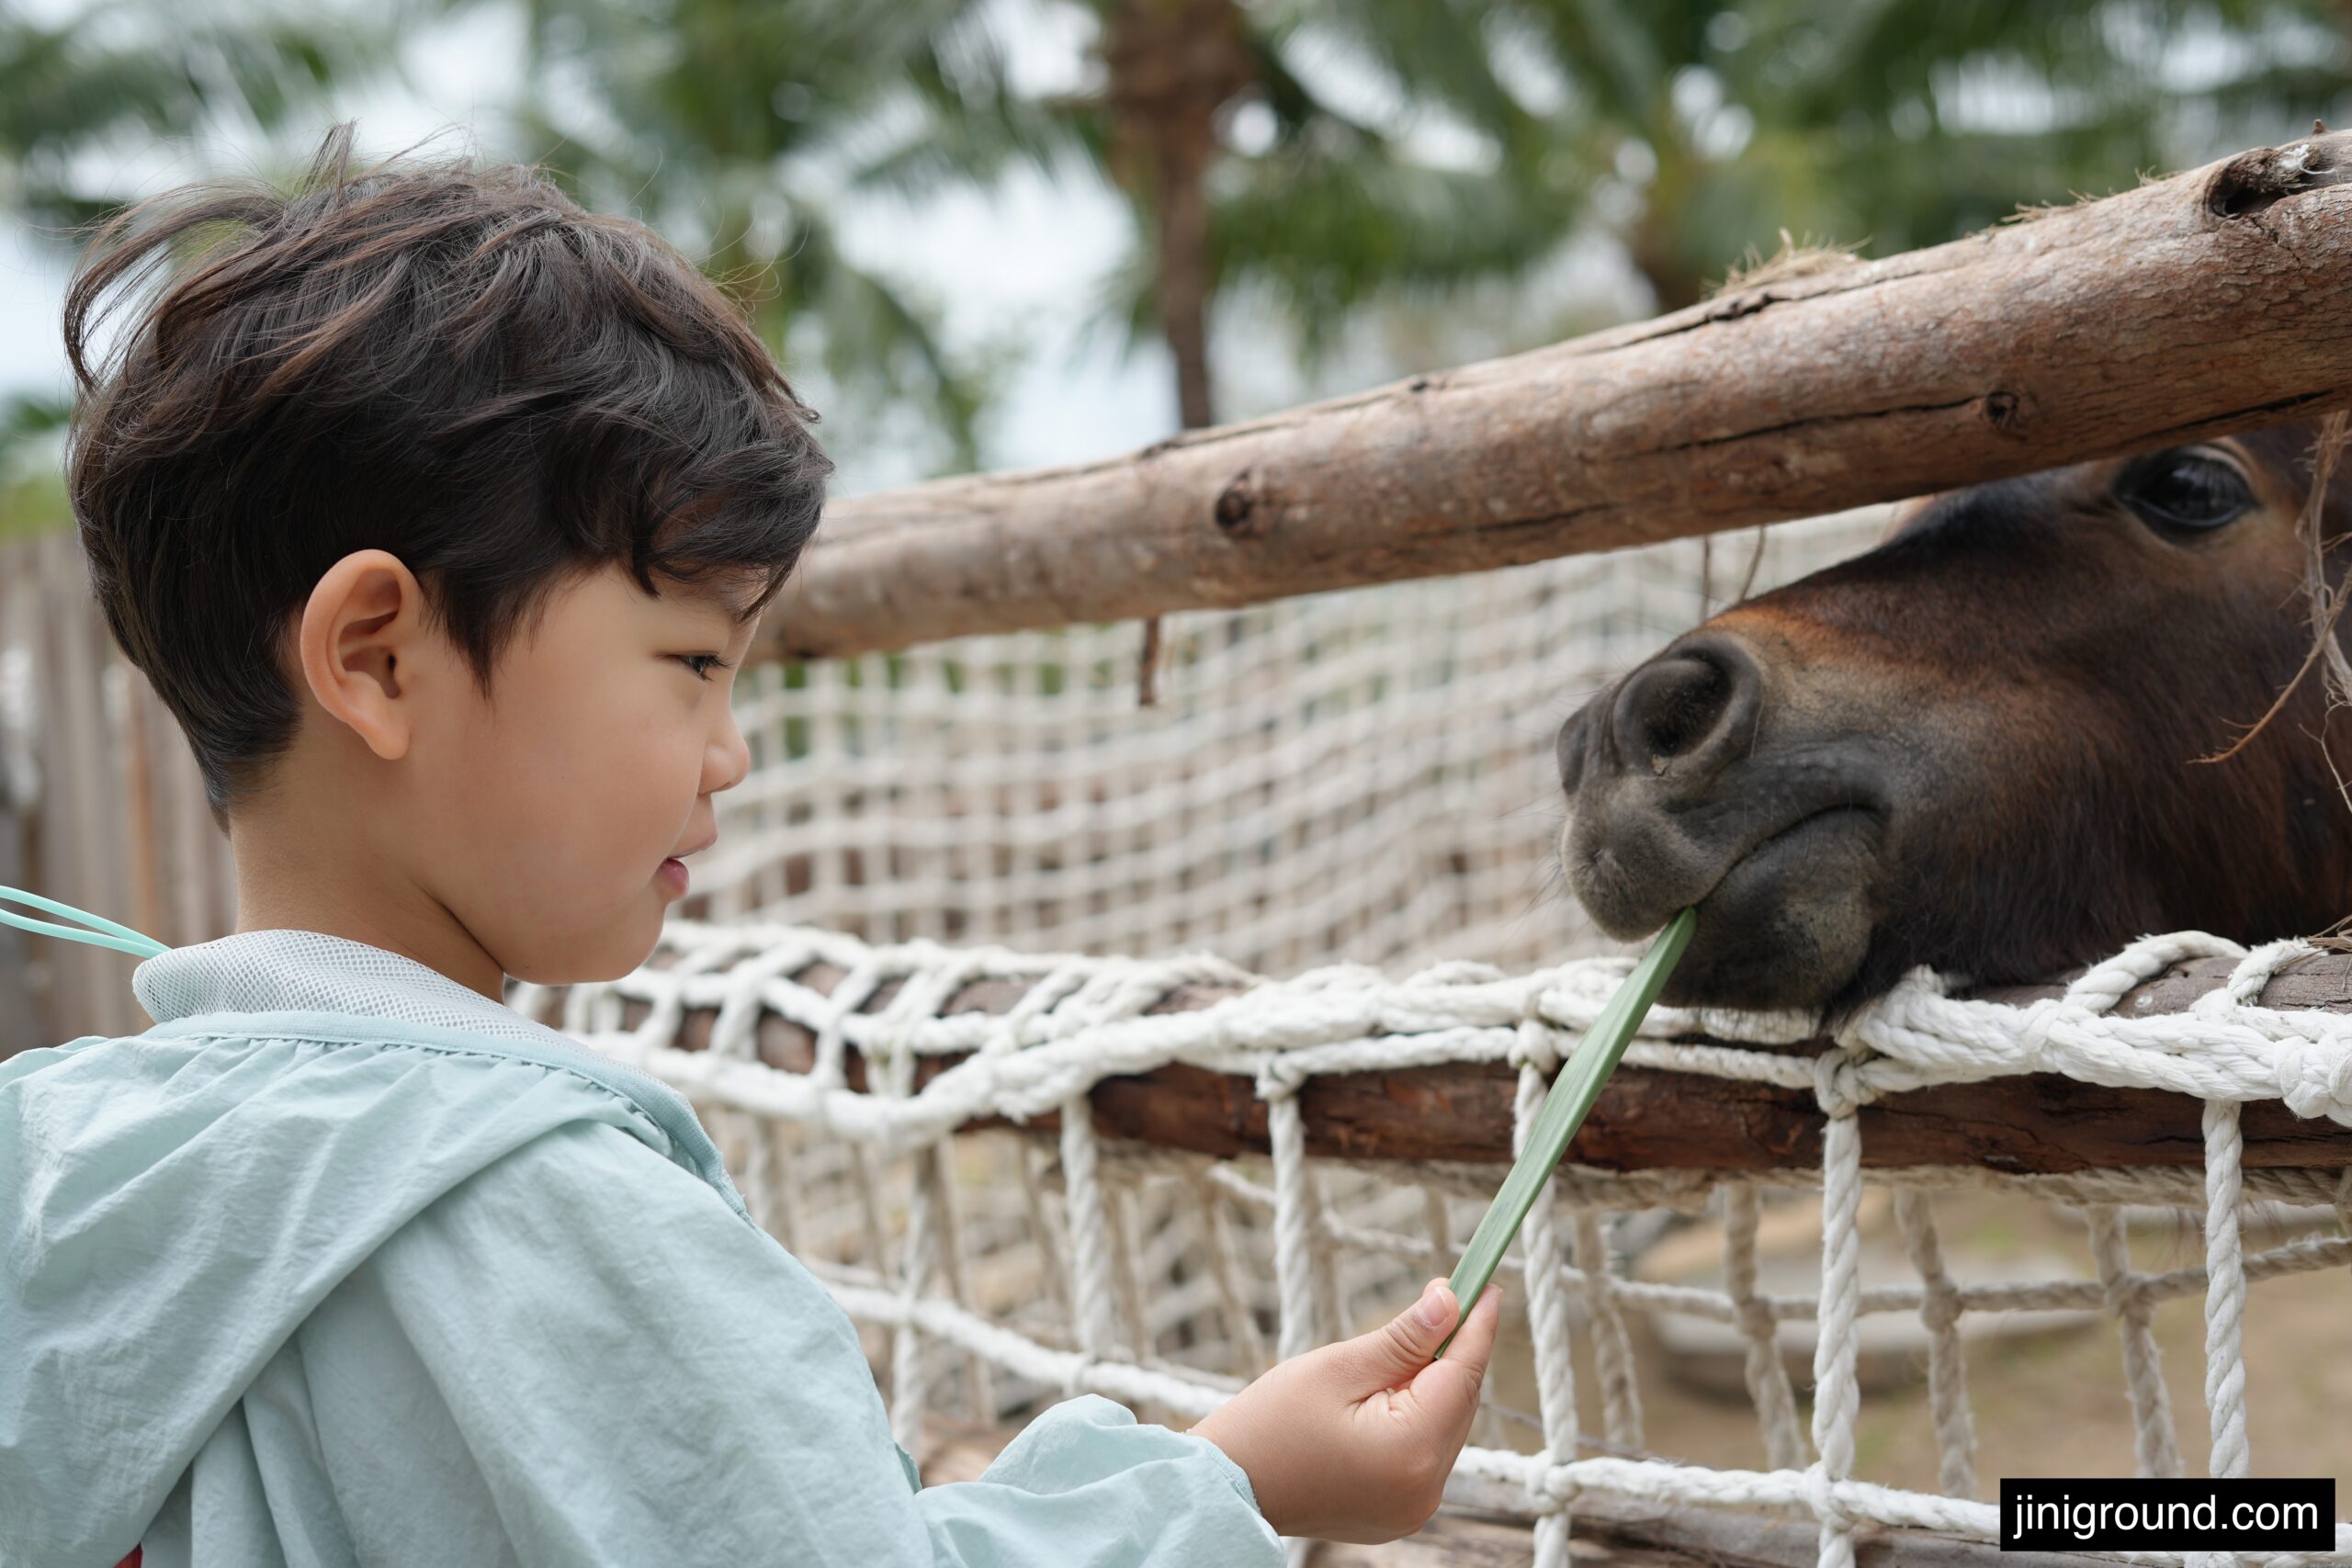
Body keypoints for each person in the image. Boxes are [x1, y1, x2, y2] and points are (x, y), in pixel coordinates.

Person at [0, 125, 1503, 1568]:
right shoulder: (550, 1212)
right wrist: (1229, 1490)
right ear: (381, 660)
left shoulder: (67, 1178)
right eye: (693, 665)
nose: (731, 753)